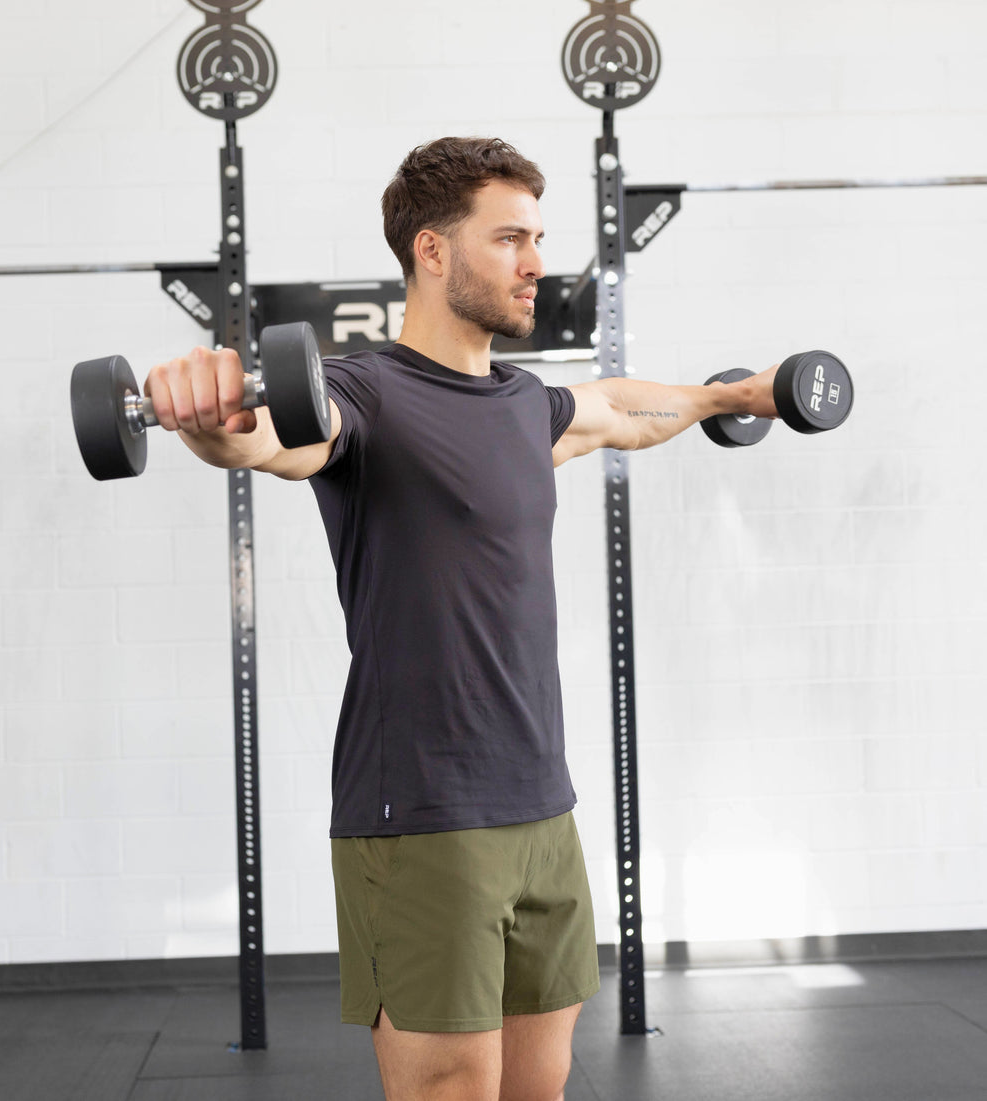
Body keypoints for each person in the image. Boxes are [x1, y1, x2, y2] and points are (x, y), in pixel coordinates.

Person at [144, 136, 781, 1101]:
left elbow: (623, 409)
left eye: (538, 237)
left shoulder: (527, 405)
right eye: (510, 239)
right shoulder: (362, 393)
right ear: (433, 252)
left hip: (542, 805)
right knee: (452, 1089)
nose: (536, 263)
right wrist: (207, 420)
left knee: (541, 1086)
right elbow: (267, 441)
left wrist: (734, 396)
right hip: (423, 817)